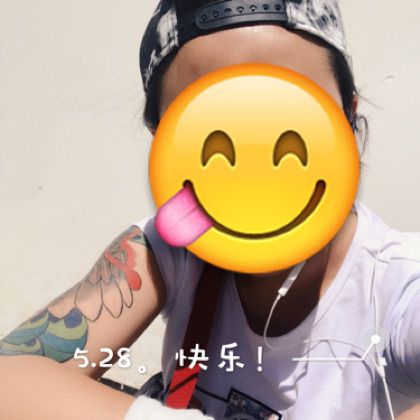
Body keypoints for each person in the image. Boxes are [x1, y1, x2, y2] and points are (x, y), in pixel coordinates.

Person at [1, 1, 420, 419]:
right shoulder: (171, 248)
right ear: (162, 139)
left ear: (348, 115)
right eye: (213, 129)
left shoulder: (396, 287)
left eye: (294, 114)